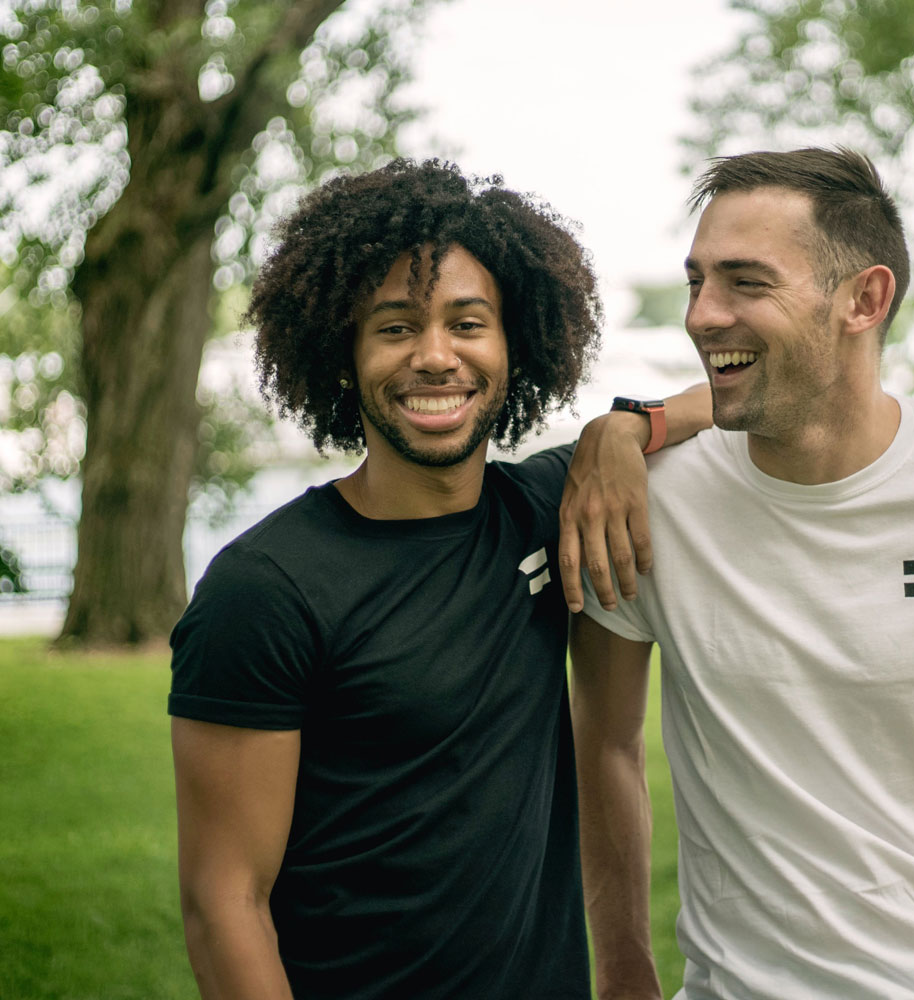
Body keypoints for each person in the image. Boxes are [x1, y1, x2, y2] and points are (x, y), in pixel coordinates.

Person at [570, 147, 914, 1000]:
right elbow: (603, 741)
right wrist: (622, 973)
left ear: (864, 300)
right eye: (696, 282)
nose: (703, 315)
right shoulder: (649, 505)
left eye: (746, 283)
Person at [168, 159, 708, 1000]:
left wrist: (624, 425)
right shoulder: (265, 589)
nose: (434, 357)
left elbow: (730, 399)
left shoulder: (545, 510)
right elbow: (223, 900)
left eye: (467, 324)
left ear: (512, 347)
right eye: (394, 329)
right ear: (343, 357)